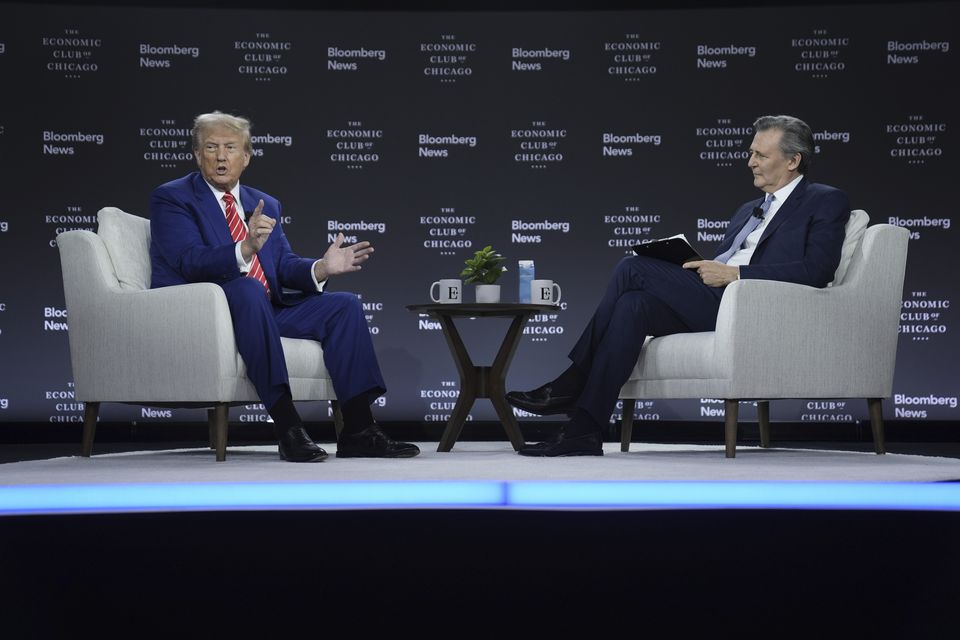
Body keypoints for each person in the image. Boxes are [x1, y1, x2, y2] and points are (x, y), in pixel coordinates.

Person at [507, 114, 851, 456]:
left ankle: (571, 381)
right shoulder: (749, 209)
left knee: (632, 268)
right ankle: (584, 431)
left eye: (761, 155)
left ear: (793, 160)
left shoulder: (824, 200)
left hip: (752, 307)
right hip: (717, 299)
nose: (750, 162)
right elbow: (727, 260)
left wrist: (736, 276)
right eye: (751, 153)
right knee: (632, 306)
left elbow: (816, 270)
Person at [150, 111, 419, 462]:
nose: (220, 156)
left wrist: (321, 267)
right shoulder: (173, 198)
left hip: (265, 308)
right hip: (208, 311)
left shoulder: (264, 203)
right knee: (247, 288)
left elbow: (282, 266)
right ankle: (287, 426)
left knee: (345, 305)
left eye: (230, 148)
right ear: (197, 154)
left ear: (245, 157)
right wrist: (243, 249)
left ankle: (358, 429)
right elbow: (188, 259)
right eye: (211, 147)